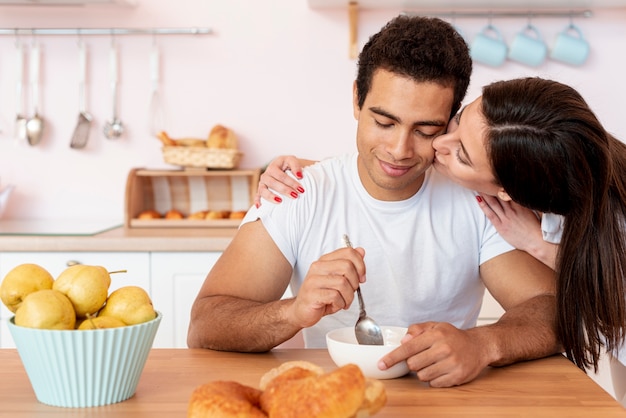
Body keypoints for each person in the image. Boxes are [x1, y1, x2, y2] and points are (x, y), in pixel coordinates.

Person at [187, 15, 560, 388]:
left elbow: (552, 307)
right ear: (356, 99)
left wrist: (483, 344)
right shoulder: (297, 192)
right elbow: (205, 324)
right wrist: (293, 312)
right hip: (330, 401)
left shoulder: (476, 201)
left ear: (449, 126)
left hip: (444, 399)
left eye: (425, 130)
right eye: (384, 123)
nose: (399, 150)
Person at [259, 76, 626, 393]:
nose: (436, 145)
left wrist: (540, 248)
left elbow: (584, 295)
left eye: (461, 156)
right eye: (456, 124)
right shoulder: (557, 179)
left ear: (508, 192)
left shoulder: (600, 233)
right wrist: (333, 175)